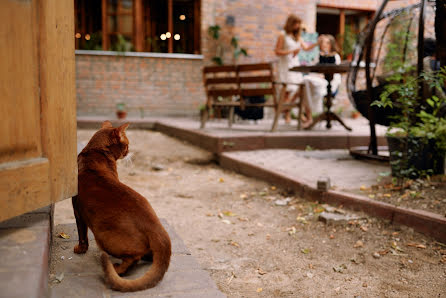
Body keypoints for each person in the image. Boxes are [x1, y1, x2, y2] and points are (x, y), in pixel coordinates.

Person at [275, 14, 318, 126]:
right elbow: (277, 51)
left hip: (296, 66)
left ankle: (291, 110)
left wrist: (318, 43)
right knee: (287, 92)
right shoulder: (282, 35)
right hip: (286, 66)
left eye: (299, 24)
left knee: (300, 90)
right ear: (291, 23)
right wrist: (291, 51)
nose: (298, 26)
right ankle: (288, 115)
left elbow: (307, 48)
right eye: (296, 23)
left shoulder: (297, 37)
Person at [301, 34, 342, 127]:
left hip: (329, 82)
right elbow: (313, 69)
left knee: (306, 82)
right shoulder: (319, 56)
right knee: (306, 82)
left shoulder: (336, 57)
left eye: (327, 42)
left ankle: (309, 115)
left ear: (331, 44)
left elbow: (337, 74)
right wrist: (318, 75)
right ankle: (310, 114)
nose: (324, 45)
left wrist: (325, 77)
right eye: (323, 42)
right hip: (317, 80)